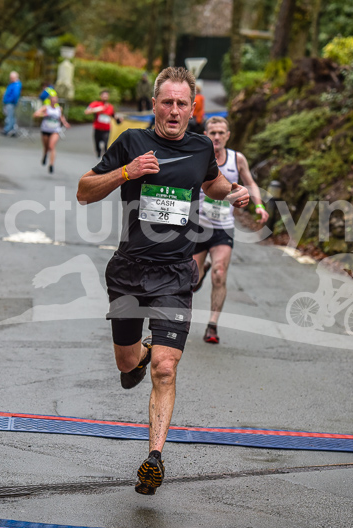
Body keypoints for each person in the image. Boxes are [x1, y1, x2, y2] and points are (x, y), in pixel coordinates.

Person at [76, 66, 250, 496]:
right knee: (126, 364)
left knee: (166, 368)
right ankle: (138, 356)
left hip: (174, 273)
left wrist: (234, 191)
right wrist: (126, 172)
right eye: (167, 102)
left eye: (182, 103)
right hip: (129, 270)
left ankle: (154, 457)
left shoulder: (200, 147)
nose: (174, 110)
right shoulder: (131, 143)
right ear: (154, 104)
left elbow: (212, 183)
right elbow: (84, 190)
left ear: (192, 109)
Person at [191, 117, 269, 344]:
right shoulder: (198, 156)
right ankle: (201, 271)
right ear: (205, 135)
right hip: (198, 226)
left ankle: (212, 325)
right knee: (191, 280)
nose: (216, 137)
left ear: (228, 135)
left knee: (220, 273)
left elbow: (250, 183)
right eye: (212, 132)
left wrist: (259, 205)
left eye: (221, 133)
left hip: (223, 228)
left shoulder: (237, 159)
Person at [34, 93, 70, 174]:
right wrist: (43, 114)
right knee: (46, 147)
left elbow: (61, 117)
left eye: (55, 99)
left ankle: (51, 164)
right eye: (52, 99)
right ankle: (45, 155)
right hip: (45, 130)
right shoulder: (46, 107)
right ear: (50, 100)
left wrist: (65, 123)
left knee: (51, 146)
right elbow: (36, 114)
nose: (54, 101)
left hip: (55, 130)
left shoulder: (59, 109)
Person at [84, 89, 117, 158]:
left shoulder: (110, 106)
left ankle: (105, 158)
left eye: (106, 96)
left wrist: (118, 119)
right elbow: (87, 111)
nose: (105, 97)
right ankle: (98, 151)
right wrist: (98, 109)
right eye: (103, 96)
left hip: (106, 129)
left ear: (108, 97)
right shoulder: (96, 104)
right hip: (97, 128)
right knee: (97, 143)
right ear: (100, 96)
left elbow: (113, 115)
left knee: (106, 144)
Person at [1, 71, 22, 136]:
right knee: (11, 116)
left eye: (12, 77)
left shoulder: (16, 84)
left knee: (9, 117)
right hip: (9, 102)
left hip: (11, 102)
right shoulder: (12, 83)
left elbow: (15, 94)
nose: (11, 79)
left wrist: (13, 102)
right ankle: (12, 130)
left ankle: (7, 130)